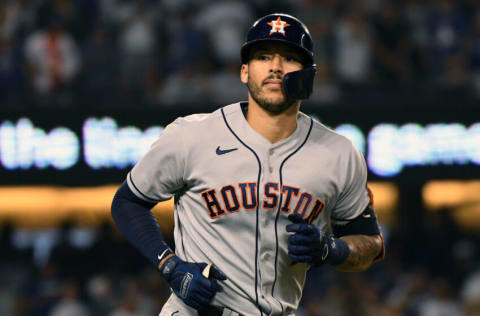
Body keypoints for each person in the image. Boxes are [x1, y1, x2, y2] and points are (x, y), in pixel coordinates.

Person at [111, 13, 385, 316]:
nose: (275, 67)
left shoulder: (339, 153)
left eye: (290, 58)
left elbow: (370, 244)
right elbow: (127, 201)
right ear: (244, 72)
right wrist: (169, 265)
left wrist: (332, 249)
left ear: (309, 75)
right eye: (263, 57)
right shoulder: (192, 135)